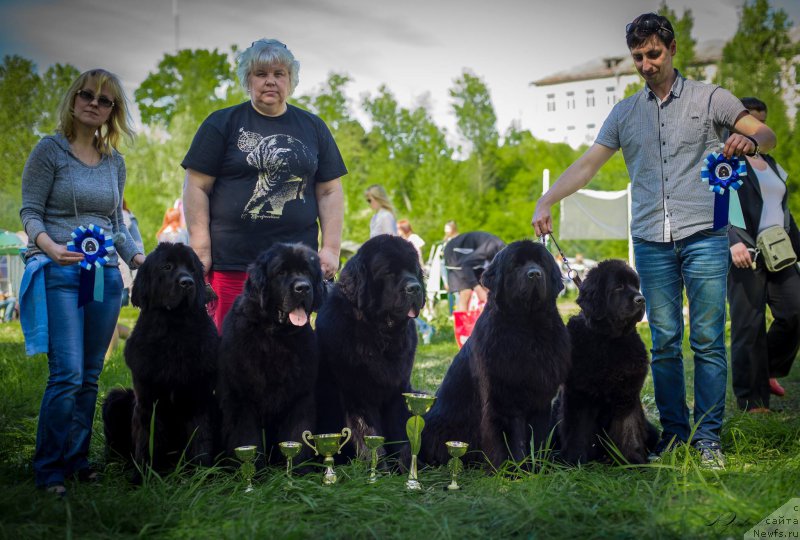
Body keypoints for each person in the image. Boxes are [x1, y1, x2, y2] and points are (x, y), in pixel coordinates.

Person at [531, 13, 776, 467]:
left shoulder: (711, 98)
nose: (646, 63)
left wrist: (751, 143)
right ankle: (675, 437)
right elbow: (587, 165)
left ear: (672, 49)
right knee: (664, 341)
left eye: (653, 53)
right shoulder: (624, 113)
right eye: (638, 56)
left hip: (705, 234)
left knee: (706, 339)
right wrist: (547, 198)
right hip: (650, 241)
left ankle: (707, 440)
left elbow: (765, 132)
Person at [19, 68, 144, 495]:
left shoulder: (115, 162)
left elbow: (116, 225)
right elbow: (30, 212)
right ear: (73, 99)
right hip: (60, 273)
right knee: (67, 374)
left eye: (104, 100)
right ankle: (49, 467)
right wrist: (48, 246)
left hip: (105, 278)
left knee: (91, 375)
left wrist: (139, 258)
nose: (94, 103)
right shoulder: (49, 151)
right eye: (87, 95)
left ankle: (77, 460)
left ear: (113, 110)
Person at [182, 38, 347, 331]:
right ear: (247, 79)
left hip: (296, 270)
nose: (270, 81)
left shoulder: (314, 127)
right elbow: (197, 186)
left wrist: (331, 248)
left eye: (279, 74)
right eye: (261, 74)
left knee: (292, 351)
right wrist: (200, 247)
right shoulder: (222, 123)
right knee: (231, 346)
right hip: (233, 264)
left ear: (291, 80)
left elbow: (330, 191)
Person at [727, 97, 800, 413]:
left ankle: (768, 367)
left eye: (762, 124)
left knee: (795, 311)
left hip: (780, 254)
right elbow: (718, 208)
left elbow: (782, 211)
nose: (757, 132)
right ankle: (751, 400)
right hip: (745, 254)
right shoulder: (725, 161)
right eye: (750, 123)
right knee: (748, 327)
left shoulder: (772, 165)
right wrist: (732, 242)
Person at [443, 231, 506, 312]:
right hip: (455, 253)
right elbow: (466, 265)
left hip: (469, 256)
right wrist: (478, 289)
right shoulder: (490, 248)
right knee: (466, 292)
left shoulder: (500, 253)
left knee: (486, 287)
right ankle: (462, 324)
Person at [397, 219, 434, 344]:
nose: (397, 231)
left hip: (414, 276)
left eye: (399, 229)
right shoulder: (405, 241)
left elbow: (417, 258)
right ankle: (424, 329)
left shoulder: (413, 239)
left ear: (404, 229)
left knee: (408, 308)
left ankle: (425, 328)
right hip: (411, 276)